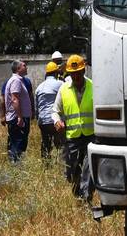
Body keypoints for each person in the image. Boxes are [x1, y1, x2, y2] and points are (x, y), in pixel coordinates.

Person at [53, 54, 94, 200]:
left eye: (79, 73)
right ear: (69, 73)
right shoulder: (63, 89)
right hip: (72, 137)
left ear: (84, 71)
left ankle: (86, 197)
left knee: (89, 168)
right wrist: (57, 121)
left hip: (91, 136)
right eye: (73, 73)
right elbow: (55, 111)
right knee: (71, 171)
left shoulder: (93, 86)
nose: (76, 76)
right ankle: (77, 192)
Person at [34, 61, 64, 164]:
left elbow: (37, 107)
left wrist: (38, 118)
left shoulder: (39, 88)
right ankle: (61, 164)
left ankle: (46, 165)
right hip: (55, 120)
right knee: (60, 145)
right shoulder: (60, 84)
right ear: (56, 73)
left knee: (46, 144)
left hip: (43, 121)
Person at [3, 60, 33, 163]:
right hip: (18, 118)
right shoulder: (16, 81)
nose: (26, 67)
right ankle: (16, 166)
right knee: (18, 144)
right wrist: (20, 117)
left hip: (18, 117)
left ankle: (14, 165)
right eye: (24, 65)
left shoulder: (18, 80)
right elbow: (15, 99)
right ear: (18, 69)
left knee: (16, 143)